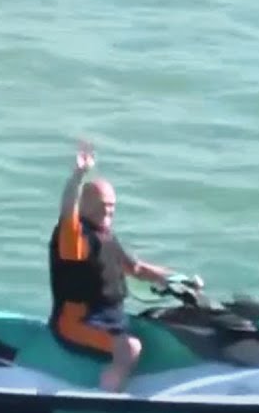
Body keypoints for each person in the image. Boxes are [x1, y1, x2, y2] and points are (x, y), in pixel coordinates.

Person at [47, 140, 202, 392]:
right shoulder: (73, 238)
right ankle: (106, 400)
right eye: (102, 206)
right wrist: (78, 177)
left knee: (165, 327)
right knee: (129, 348)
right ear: (85, 205)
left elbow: (137, 268)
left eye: (111, 207)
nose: (108, 211)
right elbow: (67, 211)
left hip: (110, 319)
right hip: (76, 323)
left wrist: (180, 279)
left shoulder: (106, 237)